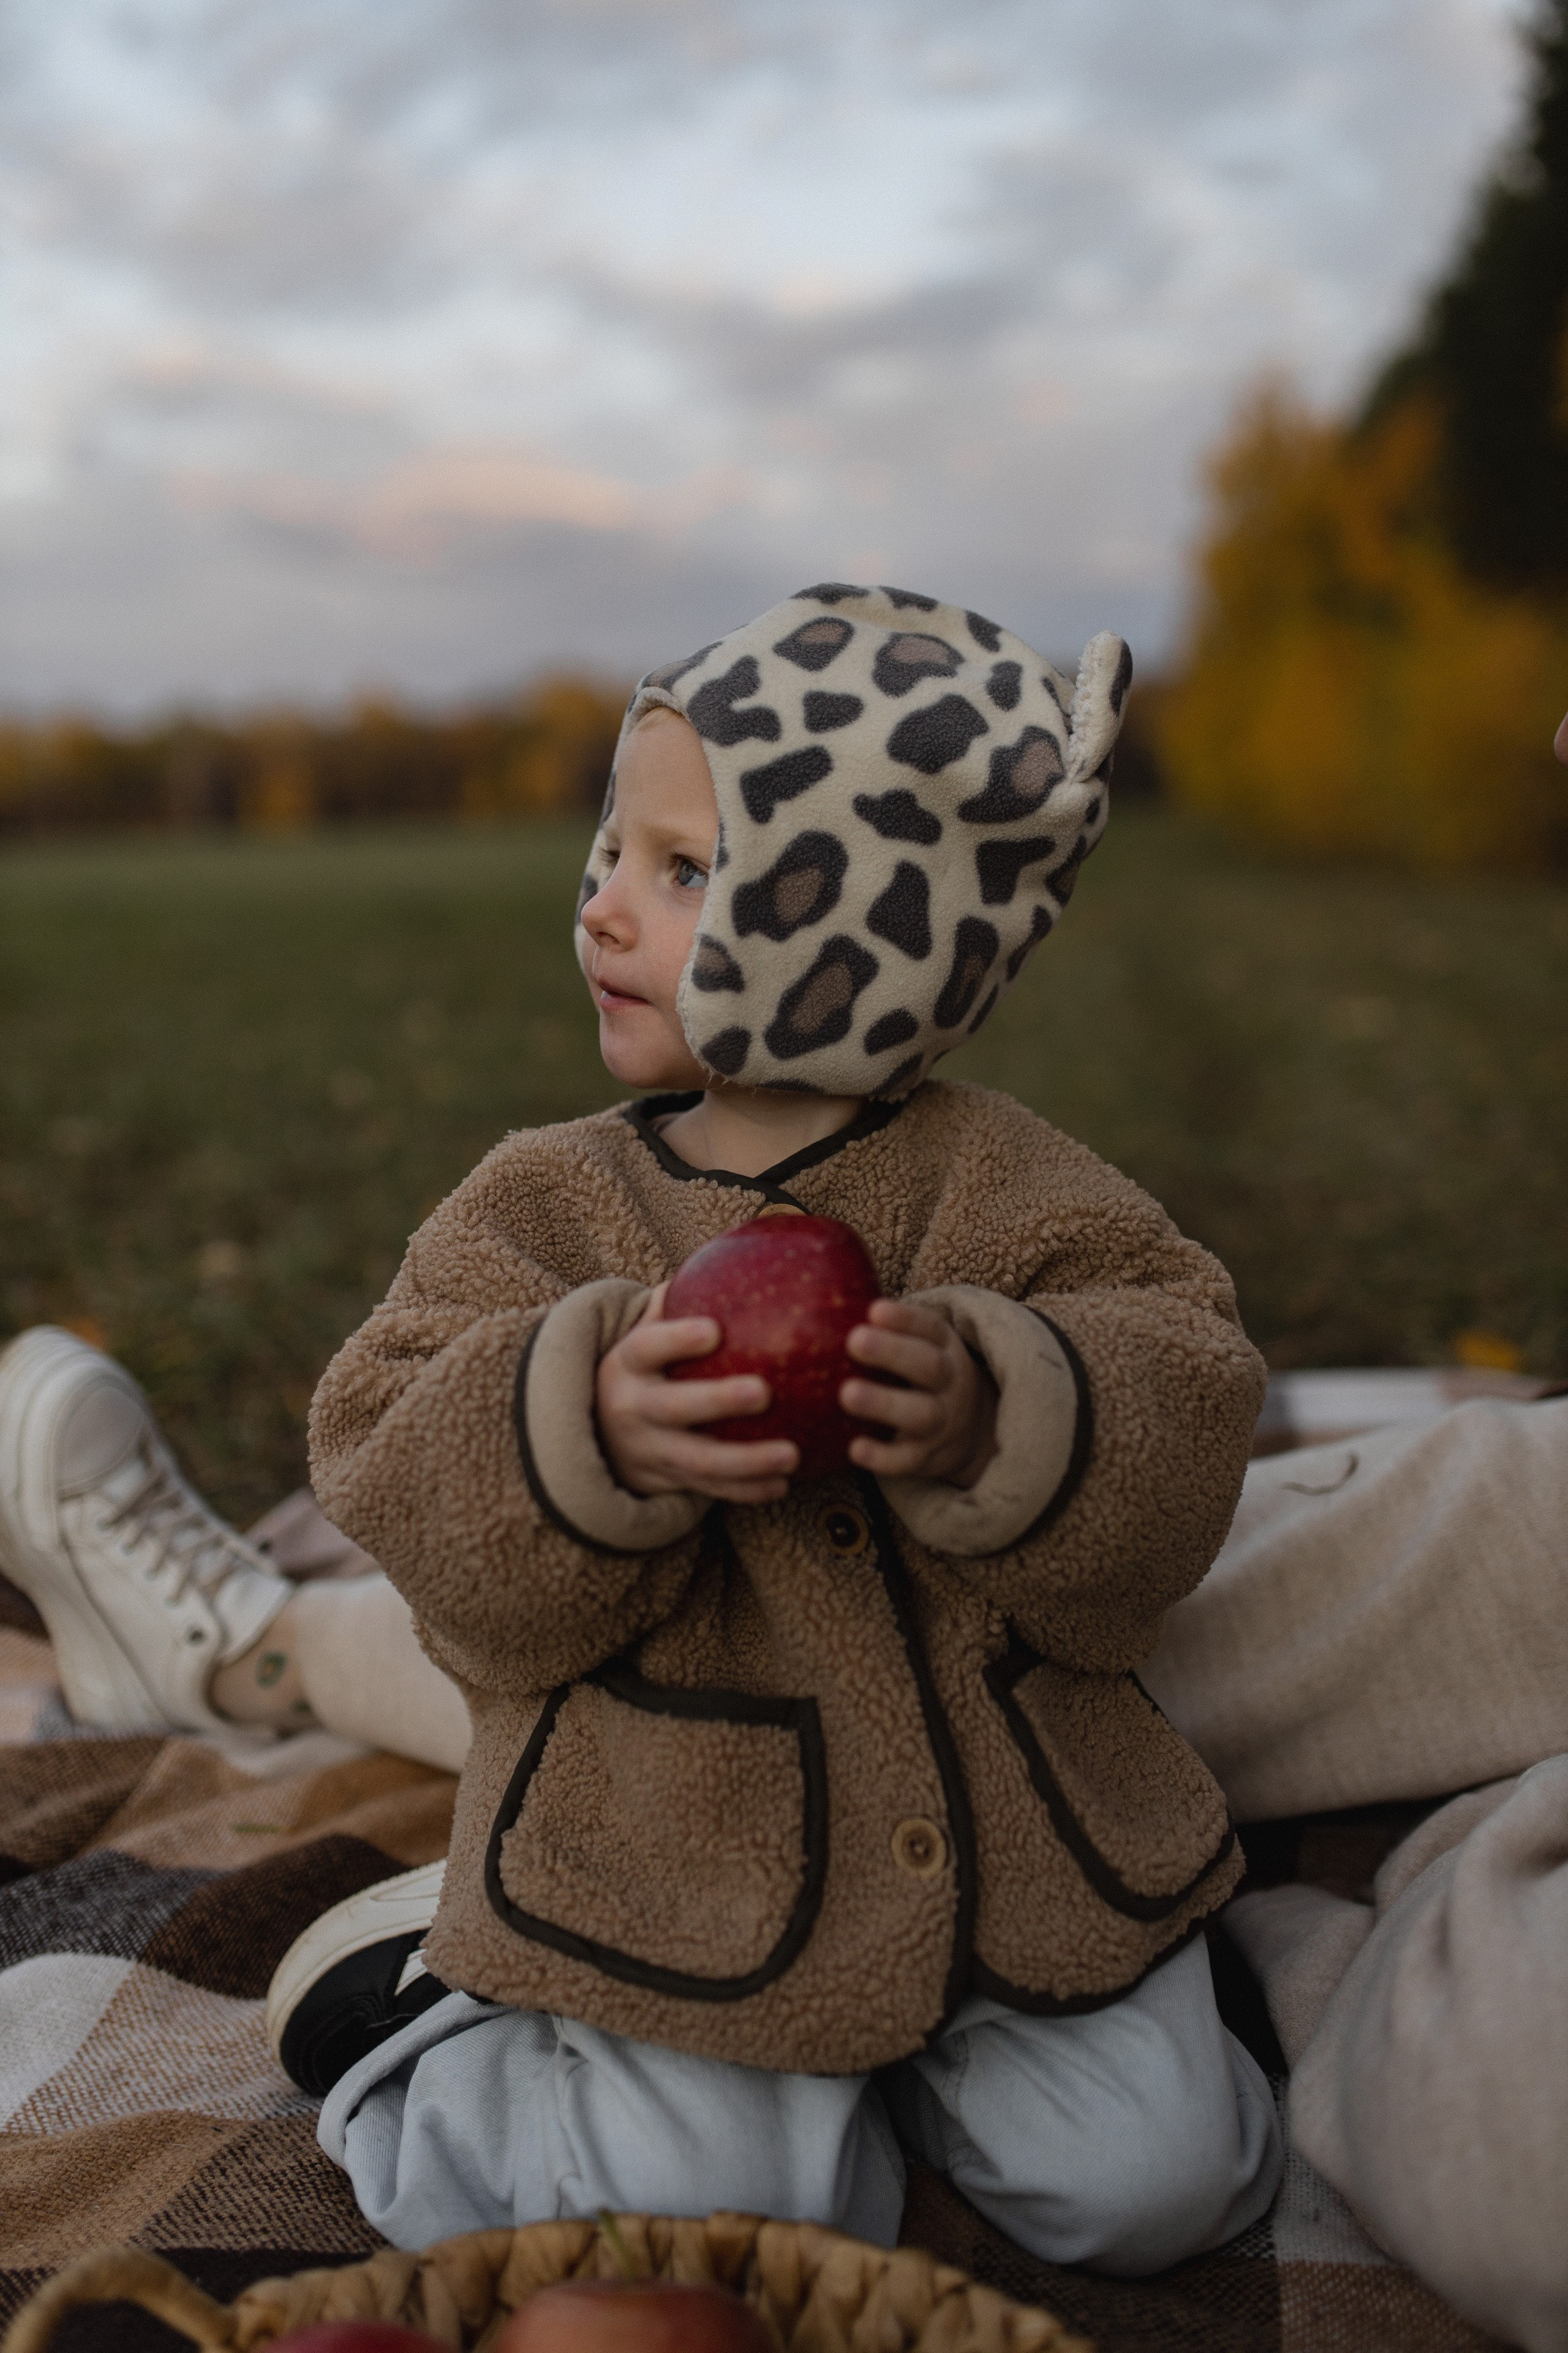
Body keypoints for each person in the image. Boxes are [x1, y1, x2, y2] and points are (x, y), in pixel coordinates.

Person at [0, 584, 1284, 2275]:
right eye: (611, 849)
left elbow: (1191, 1385)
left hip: (1010, 1857)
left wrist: (1005, 1404)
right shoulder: (549, 1202)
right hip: (675, 1866)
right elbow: (376, 1434)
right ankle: (434, 2020)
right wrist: (576, 1421)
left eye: (684, 870)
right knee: (736, 2223)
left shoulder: (1014, 1185)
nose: (604, 906)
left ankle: (920, 2064)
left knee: (1164, 2185)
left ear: (875, 924)